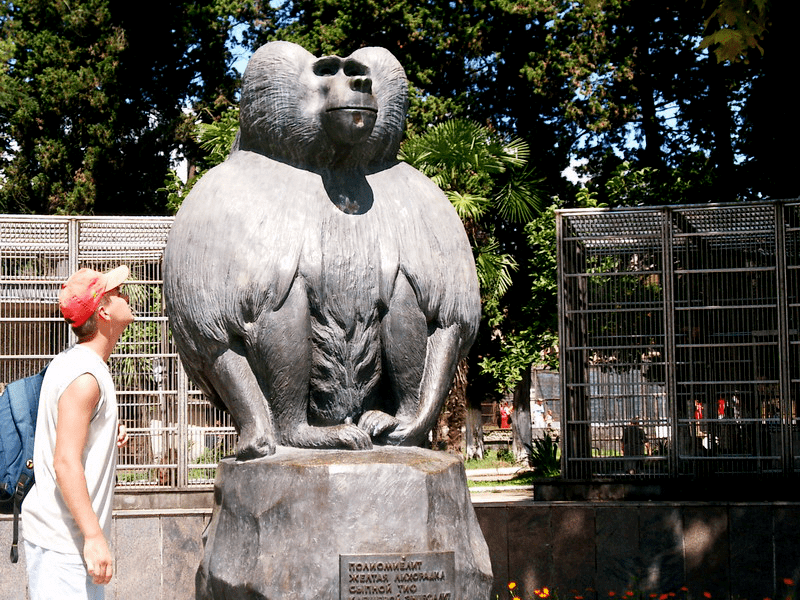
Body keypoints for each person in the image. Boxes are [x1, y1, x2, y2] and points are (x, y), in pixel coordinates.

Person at [23, 266, 133, 599]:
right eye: (117, 293)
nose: (126, 294)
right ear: (103, 311)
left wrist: (102, 431)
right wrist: (94, 537)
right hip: (66, 546)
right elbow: (65, 463)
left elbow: (68, 435)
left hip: (63, 542)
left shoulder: (75, 363)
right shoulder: (84, 377)